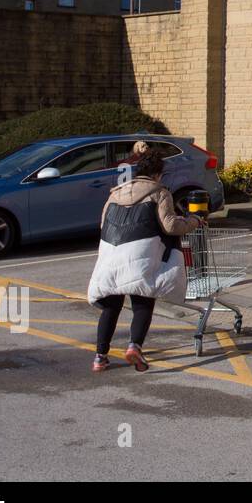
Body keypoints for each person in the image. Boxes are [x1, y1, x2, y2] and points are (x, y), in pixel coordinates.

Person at [87, 142, 202, 372]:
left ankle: (100, 357)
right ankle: (134, 346)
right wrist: (194, 221)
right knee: (143, 301)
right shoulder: (160, 193)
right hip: (140, 254)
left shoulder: (115, 194)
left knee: (111, 305)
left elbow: (103, 224)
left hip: (111, 253)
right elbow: (170, 226)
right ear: (158, 174)